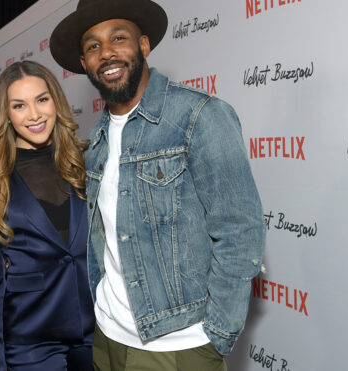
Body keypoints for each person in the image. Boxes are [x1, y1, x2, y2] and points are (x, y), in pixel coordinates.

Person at [50, 1, 266, 370]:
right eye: (93, 46)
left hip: (180, 346)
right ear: (84, 63)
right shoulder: (96, 140)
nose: (107, 53)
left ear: (144, 46)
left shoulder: (200, 116)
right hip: (107, 337)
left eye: (118, 38)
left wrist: (216, 334)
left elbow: (241, 230)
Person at [0, 60, 94, 371]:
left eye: (42, 99)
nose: (34, 114)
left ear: (56, 102)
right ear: (6, 115)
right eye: (19, 105)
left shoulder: (88, 164)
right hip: (30, 338)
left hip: (97, 331)